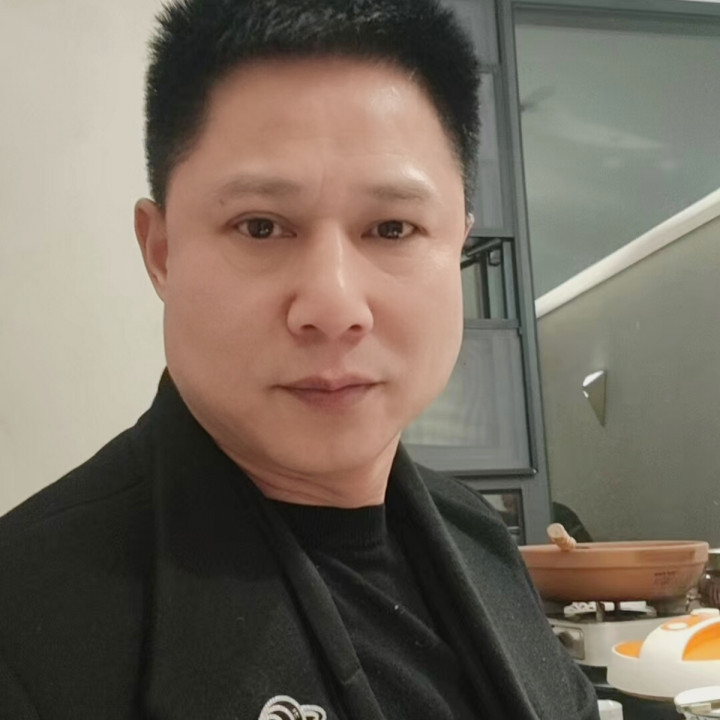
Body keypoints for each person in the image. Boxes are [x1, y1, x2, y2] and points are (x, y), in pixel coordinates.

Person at [0, 1, 599, 718]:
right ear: (161, 252)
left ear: (457, 248)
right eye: (260, 226)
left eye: (392, 228)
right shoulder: (28, 619)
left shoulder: (482, 541)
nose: (334, 304)